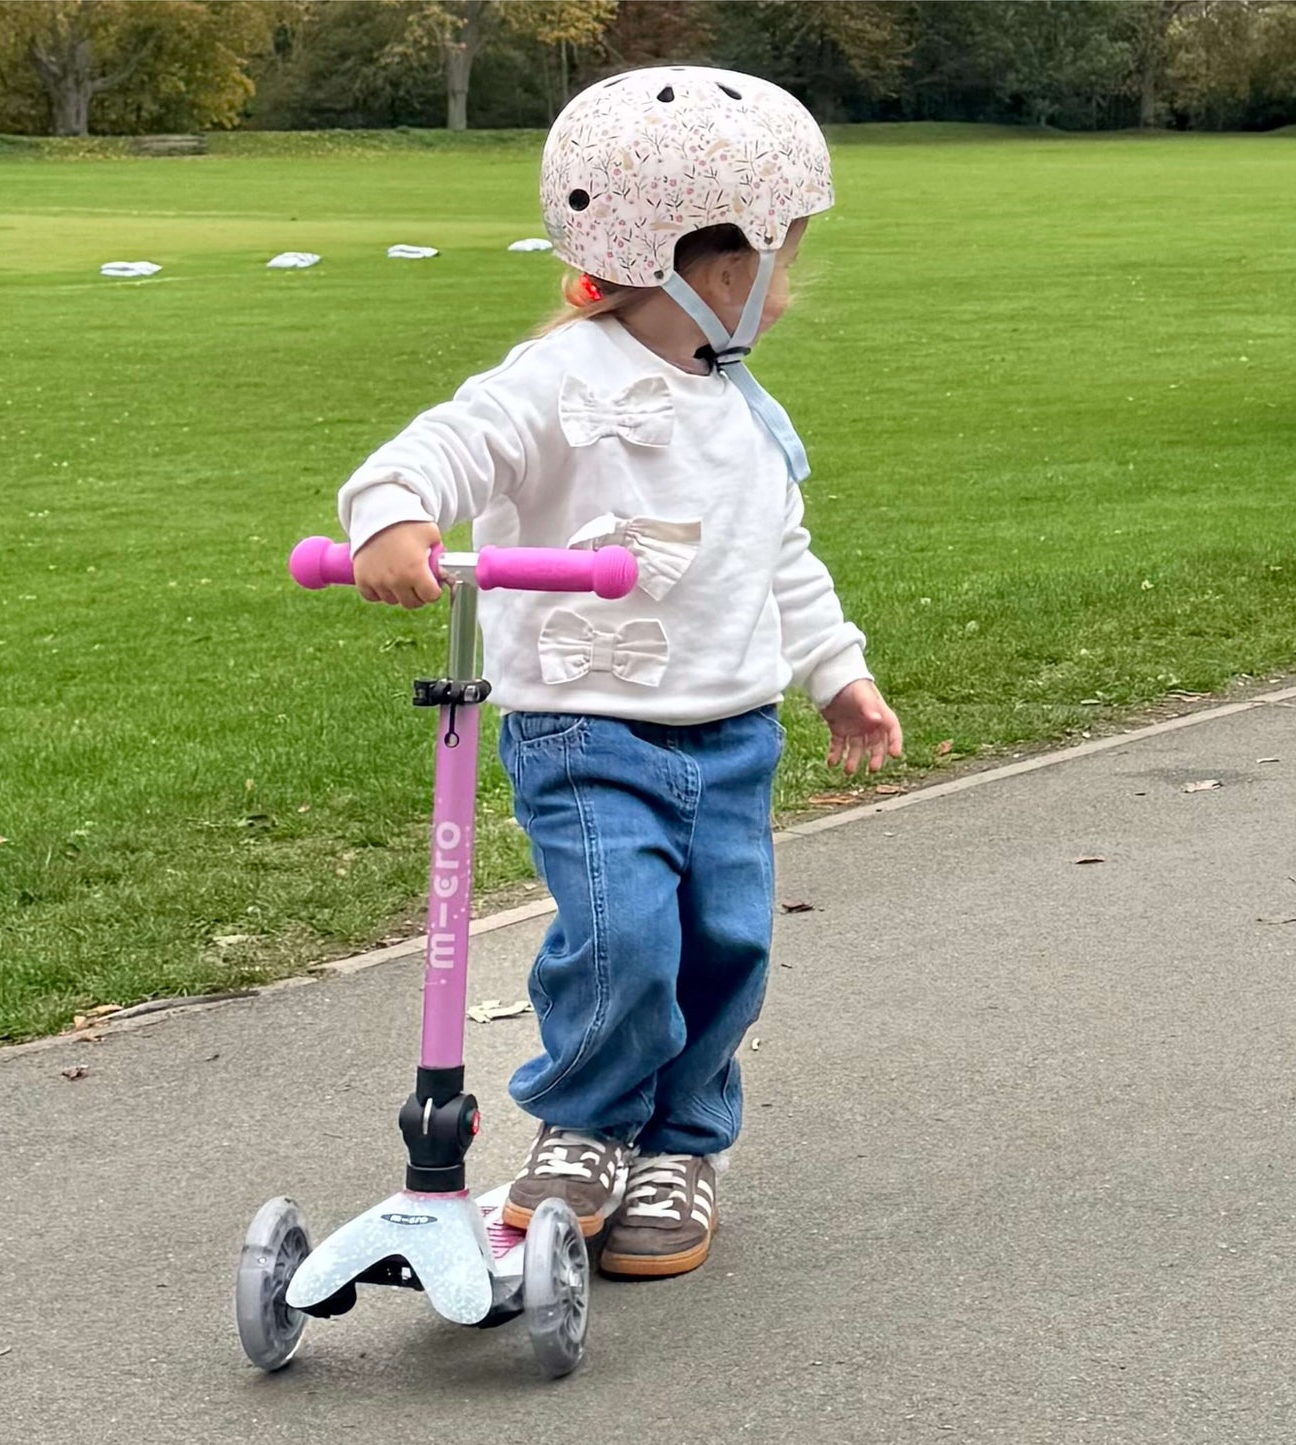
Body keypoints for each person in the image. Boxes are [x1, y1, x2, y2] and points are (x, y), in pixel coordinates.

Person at [339, 66, 902, 1280]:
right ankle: (587, 1121)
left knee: (724, 947)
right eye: (780, 257)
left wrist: (836, 673)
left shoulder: (744, 411)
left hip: (731, 728)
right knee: (623, 937)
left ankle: (683, 1143)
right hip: (584, 729)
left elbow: (780, 558)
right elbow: (446, 443)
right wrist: (391, 514)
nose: (785, 286)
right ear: (714, 267)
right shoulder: (559, 380)